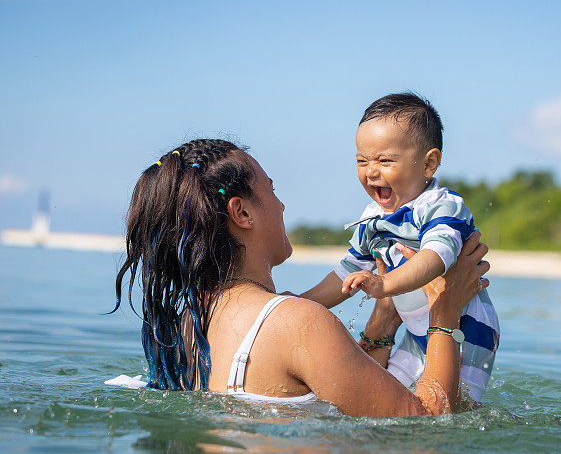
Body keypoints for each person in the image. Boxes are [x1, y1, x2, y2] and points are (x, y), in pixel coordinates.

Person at [110, 138, 490, 417]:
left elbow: (358, 405)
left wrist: (382, 324)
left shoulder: (185, 332)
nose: (282, 204)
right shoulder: (297, 322)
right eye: (271, 190)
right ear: (242, 214)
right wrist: (445, 313)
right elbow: (426, 427)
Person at [300, 93, 500, 401]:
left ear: (429, 163)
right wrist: (300, 303)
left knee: (456, 406)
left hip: (467, 330)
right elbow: (345, 273)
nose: (371, 171)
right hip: (414, 331)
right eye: (361, 160)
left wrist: (384, 283)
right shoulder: (371, 220)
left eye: (385, 160)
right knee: (382, 396)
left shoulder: (441, 207)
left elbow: (436, 258)